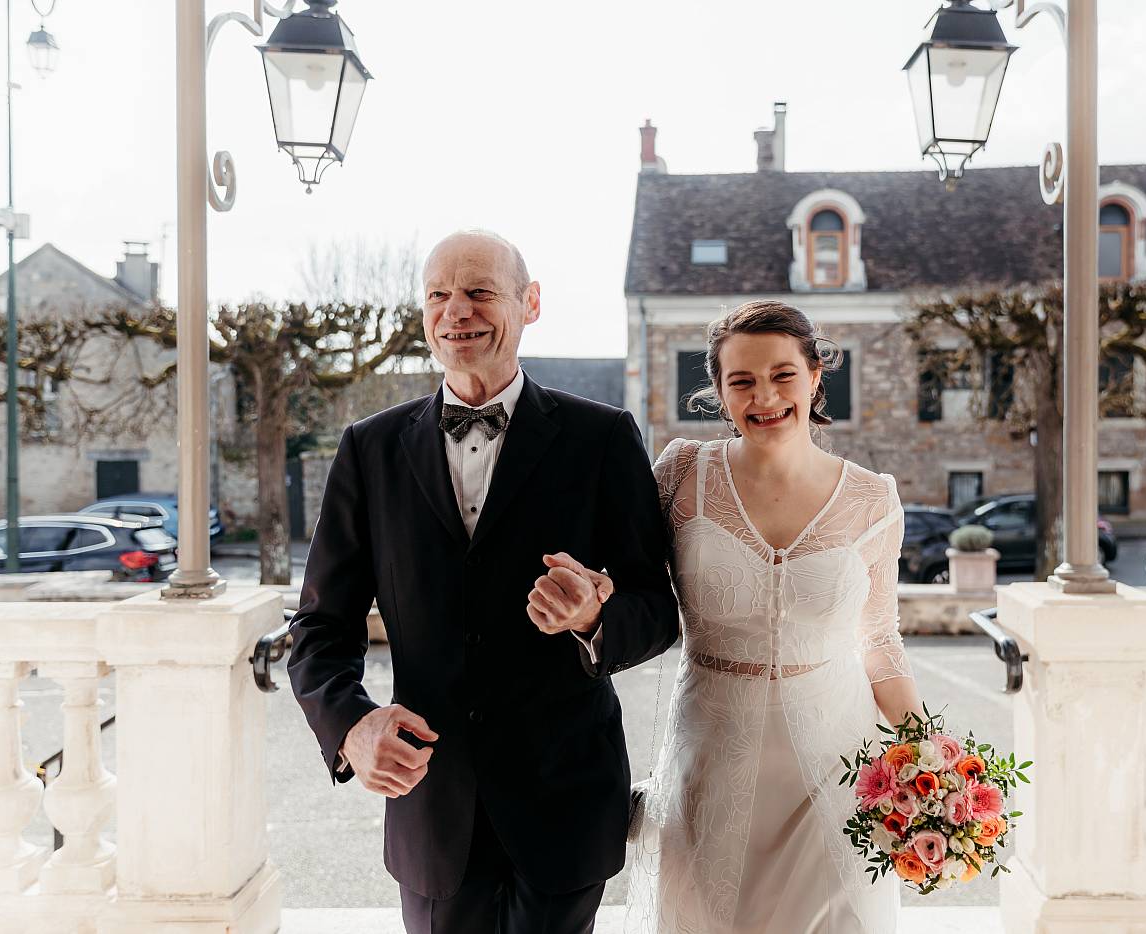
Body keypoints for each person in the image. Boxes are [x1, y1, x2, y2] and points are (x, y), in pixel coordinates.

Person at [287, 230, 680, 934]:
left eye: (478, 292)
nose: (455, 310)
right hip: (432, 807)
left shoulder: (604, 438)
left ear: (530, 303)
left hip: (565, 801)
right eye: (438, 294)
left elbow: (658, 609)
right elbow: (319, 628)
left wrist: (594, 619)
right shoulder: (368, 450)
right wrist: (350, 726)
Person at [625, 300, 927, 933]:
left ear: (817, 375)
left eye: (783, 374)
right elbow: (631, 591)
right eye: (742, 381)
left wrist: (929, 758)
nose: (765, 396)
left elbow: (879, 638)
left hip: (836, 766)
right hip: (711, 757)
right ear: (719, 391)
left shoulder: (874, 499)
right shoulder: (682, 475)